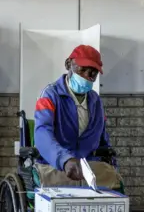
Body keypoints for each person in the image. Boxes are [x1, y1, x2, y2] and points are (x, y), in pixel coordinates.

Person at [33, 44, 122, 190]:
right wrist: (64, 159)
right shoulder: (50, 95)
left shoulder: (95, 101)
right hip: (54, 164)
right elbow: (42, 132)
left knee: (112, 181)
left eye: (93, 73)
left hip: (87, 166)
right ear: (69, 64)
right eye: (82, 69)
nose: (87, 76)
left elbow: (102, 140)